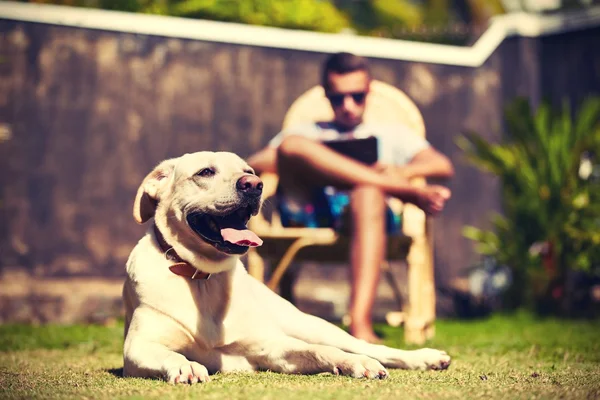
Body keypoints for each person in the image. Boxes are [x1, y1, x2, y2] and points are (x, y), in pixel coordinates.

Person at [247, 52, 454, 343]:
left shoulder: (392, 134)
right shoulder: (307, 132)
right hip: (313, 214)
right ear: (327, 97)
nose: (348, 106)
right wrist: (314, 157)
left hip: (372, 218)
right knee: (293, 145)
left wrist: (400, 170)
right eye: (338, 98)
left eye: (357, 97)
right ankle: (403, 193)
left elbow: (442, 165)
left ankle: (360, 325)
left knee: (368, 193)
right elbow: (255, 162)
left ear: (368, 92)